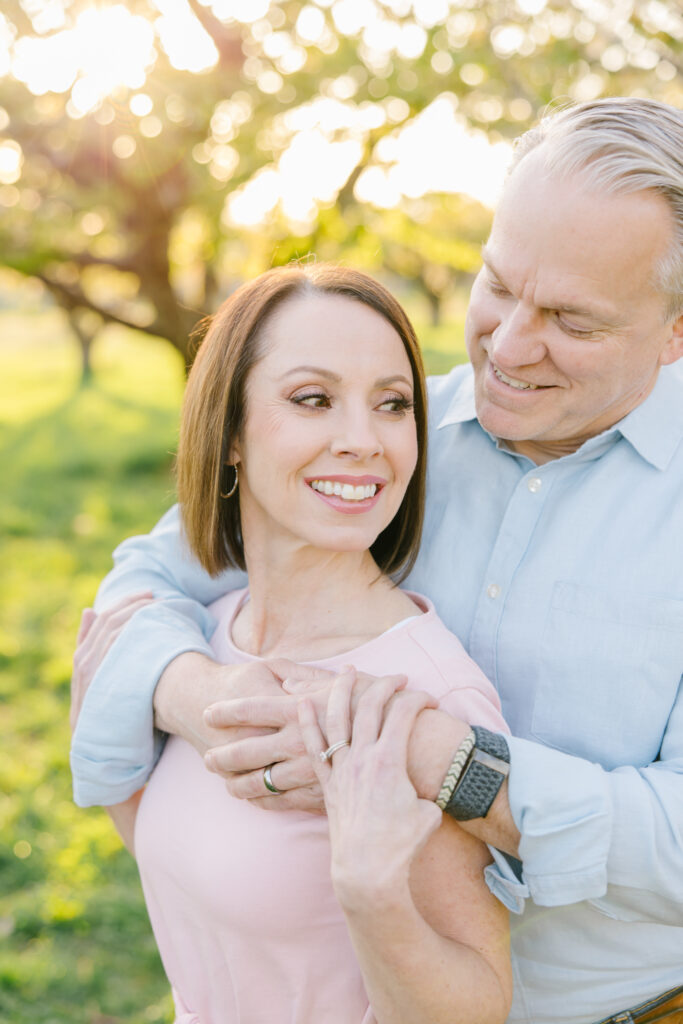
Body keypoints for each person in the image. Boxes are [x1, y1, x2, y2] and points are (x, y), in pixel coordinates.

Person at [71, 97, 683, 1024]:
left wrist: (437, 760)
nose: (509, 345)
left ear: (674, 331)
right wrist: (210, 701)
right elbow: (148, 579)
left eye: (571, 319)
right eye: (497, 283)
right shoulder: (385, 435)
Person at [73, 263, 512, 1023]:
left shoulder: (419, 695)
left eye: (393, 404)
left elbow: (479, 1005)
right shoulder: (207, 634)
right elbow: (182, 869)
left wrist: (374, 896)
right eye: (313, 399)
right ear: (230, 433)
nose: (363, 441)